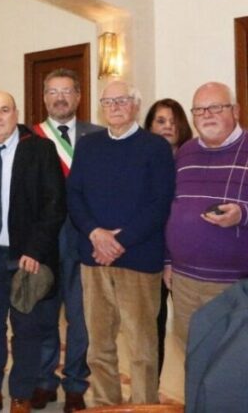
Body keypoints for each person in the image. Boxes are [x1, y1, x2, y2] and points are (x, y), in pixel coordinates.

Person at [67, 80, 175, 407]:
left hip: (138, 260)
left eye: (122, 100)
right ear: (101, 107)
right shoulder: (88, 145)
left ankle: (143, 406)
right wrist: (95, 233)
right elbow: (74, 195)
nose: (115, 107)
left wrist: (119, 241)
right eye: (108, 102)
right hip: (94, 260)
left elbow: (159, 203)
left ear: (136, 105)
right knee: (99, 346)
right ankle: (105, 405)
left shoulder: (155, 147)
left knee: (142, 348)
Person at [0, 91, 66, 413]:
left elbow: (54, 205)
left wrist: (35, 250)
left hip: (26, 260)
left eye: (4, 110)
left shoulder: (40, 150)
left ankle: (21, 394)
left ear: (16, 113)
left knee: (26, 331)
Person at [30, 69, 103, 412]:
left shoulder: (99, 136)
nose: (60, 98)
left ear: (78, 96)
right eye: (53, 91)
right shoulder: (30, 138)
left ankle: (75, 383)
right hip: (44, 243)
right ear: (44, 97)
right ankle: (44, 381)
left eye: (66, 91)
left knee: (81, 318)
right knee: (44, 315)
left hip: (85, 240)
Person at [164, 83, 248, 378]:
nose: (207, 115)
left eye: (216, 107)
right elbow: (170, 207)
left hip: (234, 283)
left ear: (235, 111)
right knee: (193, 358)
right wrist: (167, 260)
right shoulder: (185, 152)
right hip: (184, 280)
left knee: (230, 368)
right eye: (199, 110)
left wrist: (242, 215)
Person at [143, 98, 192, 376]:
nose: (167, 127)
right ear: (149, 126)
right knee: (152, 329)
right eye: (160, 121)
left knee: (191, 332)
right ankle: (149, 394)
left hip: (184, 258)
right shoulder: (141, 161)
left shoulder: (191, 161)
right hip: (150, 255)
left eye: (173, 121)